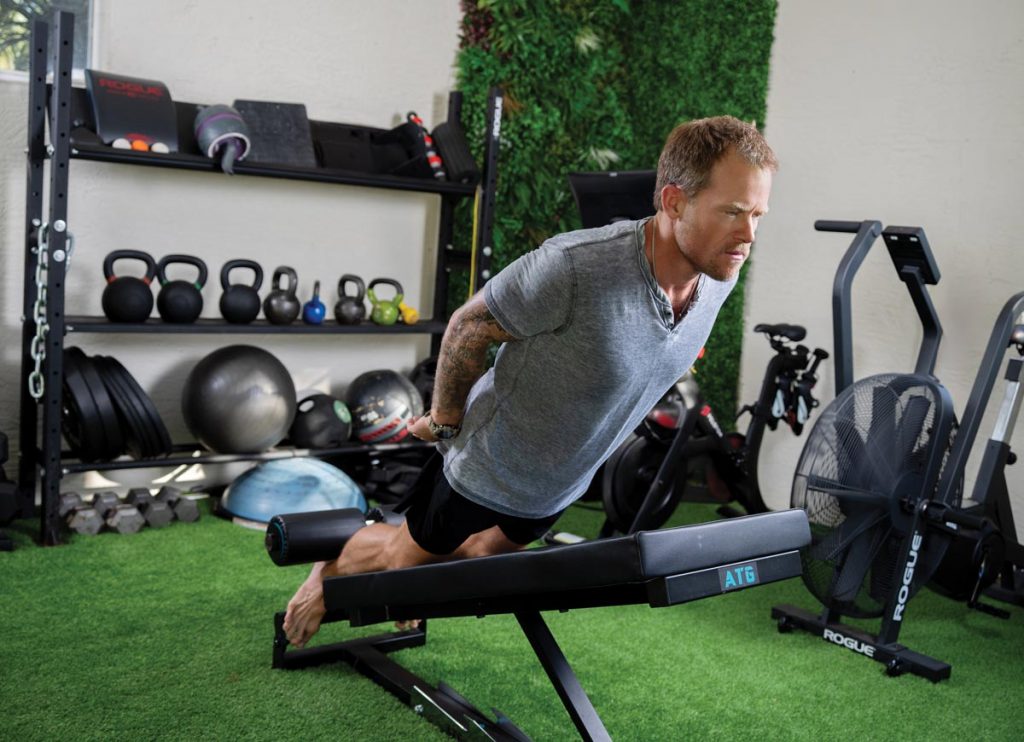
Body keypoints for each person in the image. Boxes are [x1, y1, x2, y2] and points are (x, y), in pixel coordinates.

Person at [283, 115, 776, 648]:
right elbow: (470, 326)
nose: (747, 235)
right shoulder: (576, 267)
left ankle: (400, 573)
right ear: (675, 201)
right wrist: (446, 420)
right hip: (490, 463)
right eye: (732, 212)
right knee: (403, 561)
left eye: (757, 215)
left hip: (561, 482)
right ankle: (327, 574)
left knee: (476, 561)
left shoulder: (720, 272)